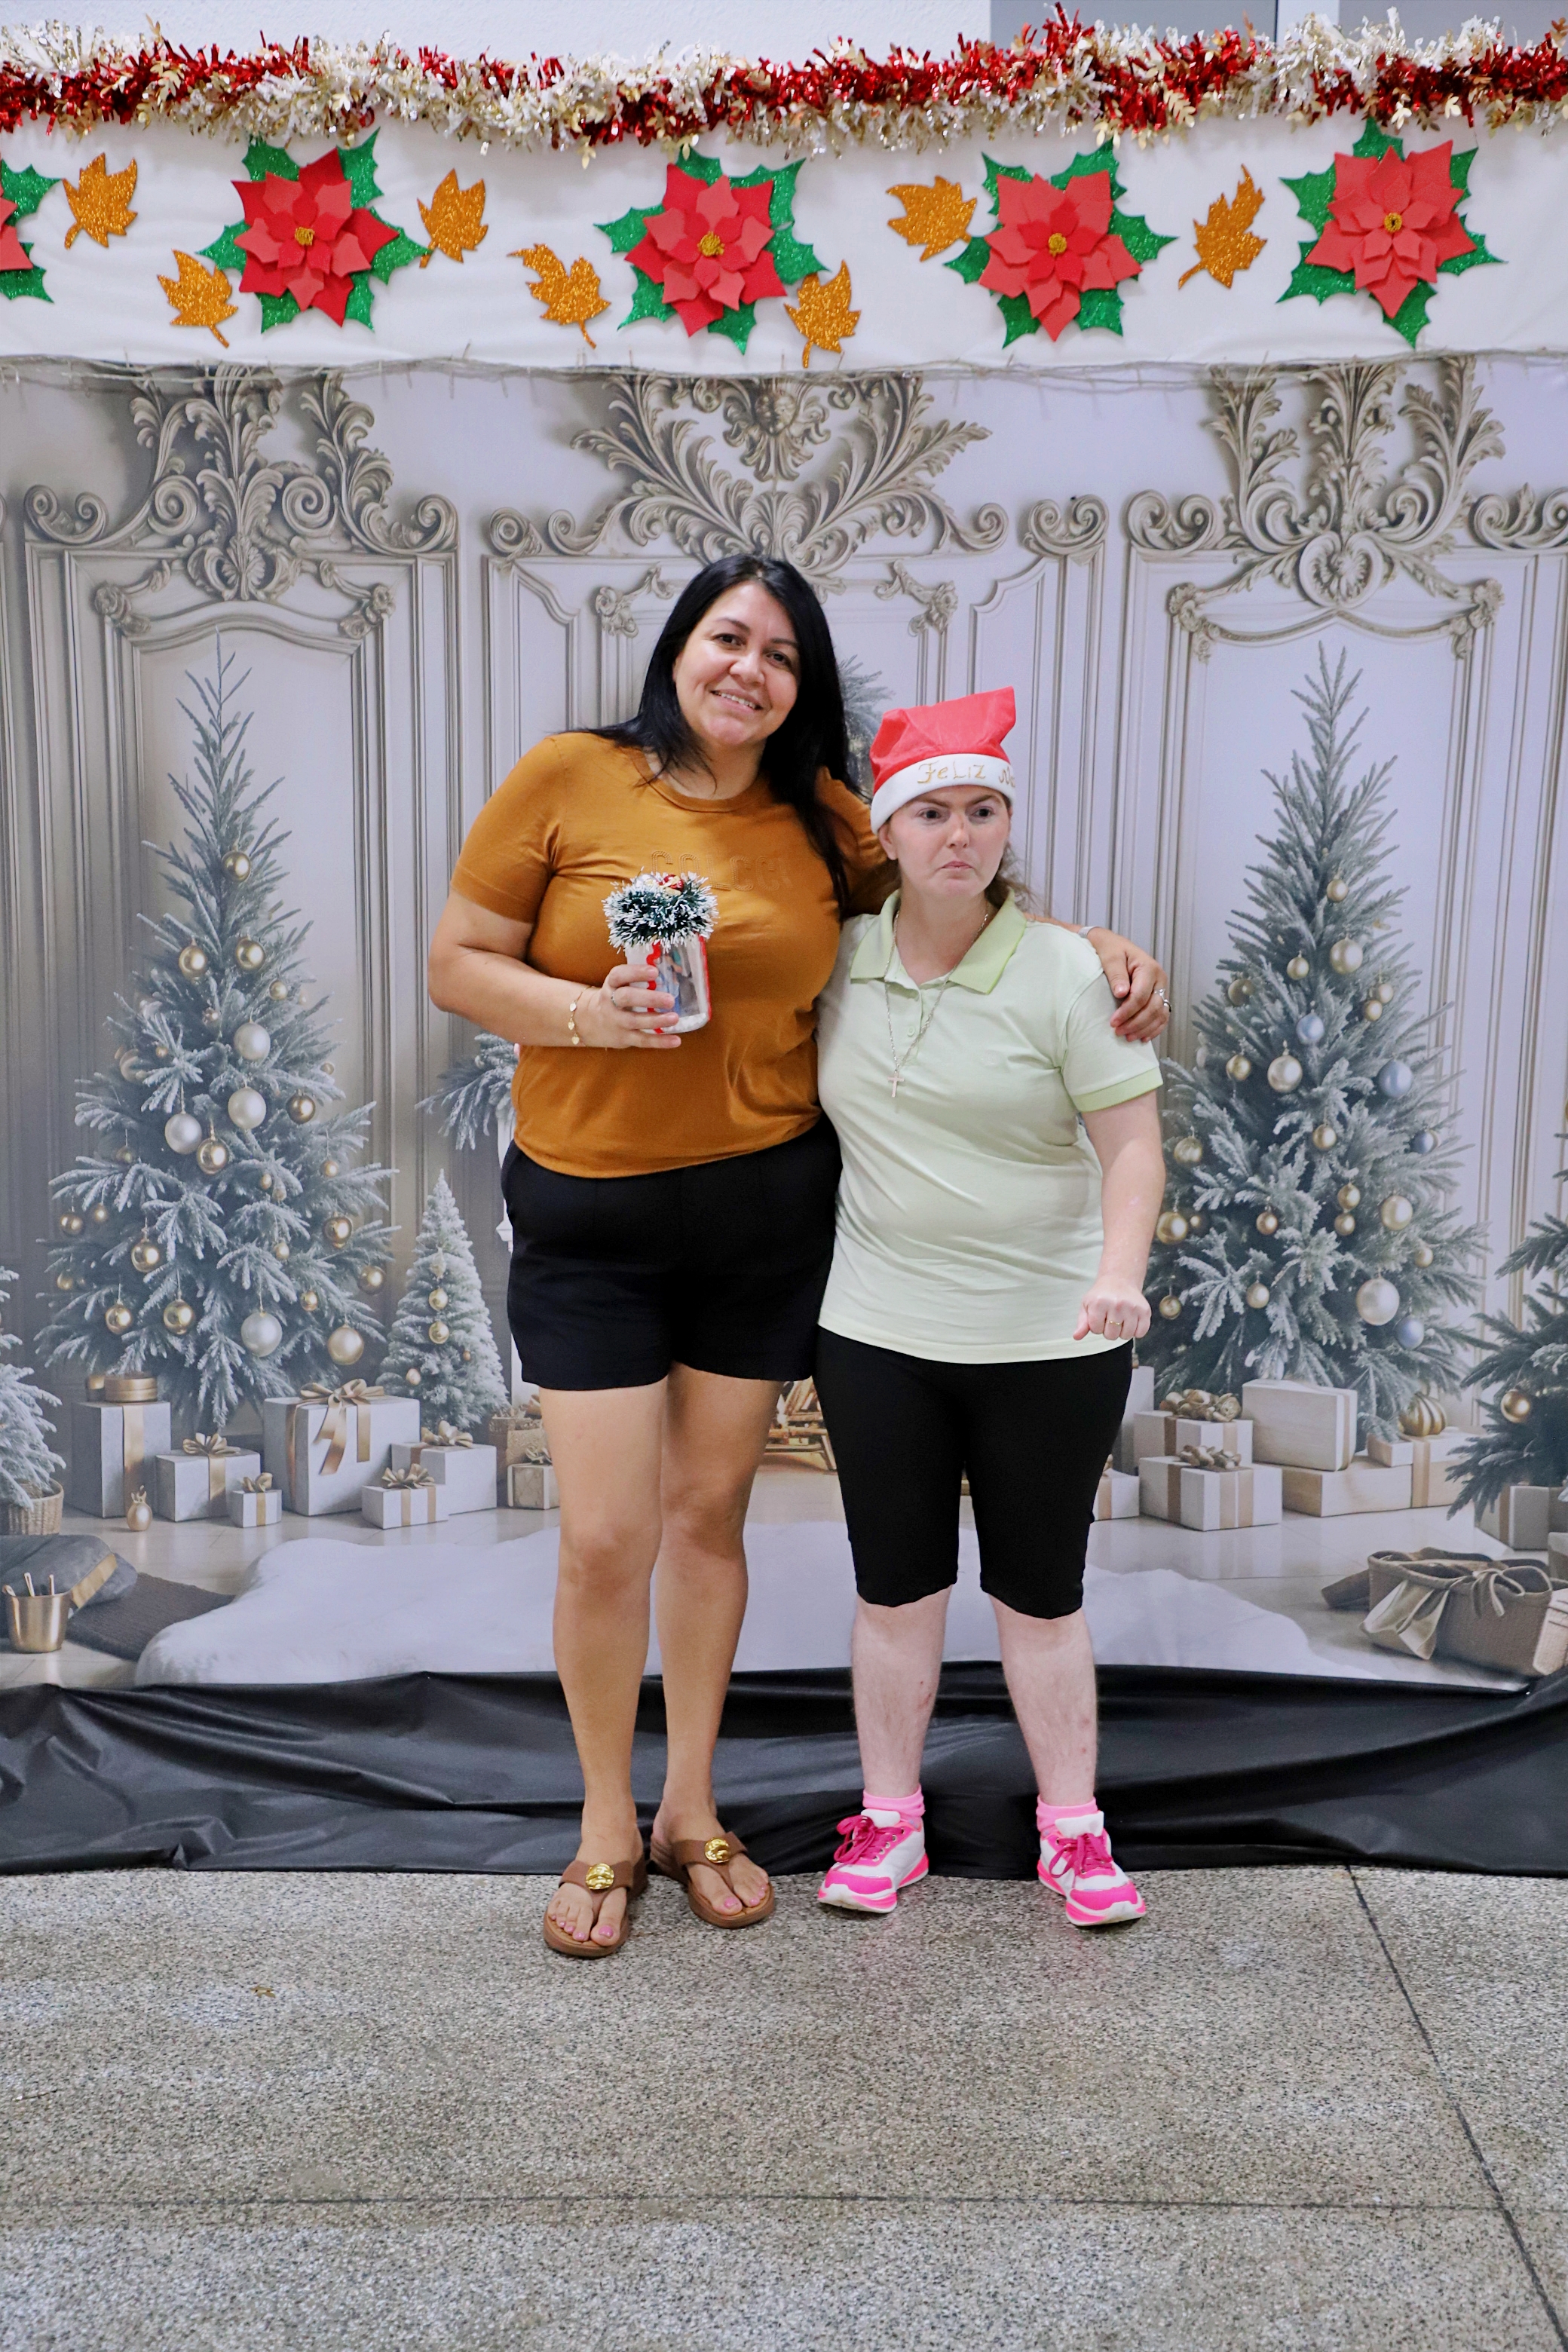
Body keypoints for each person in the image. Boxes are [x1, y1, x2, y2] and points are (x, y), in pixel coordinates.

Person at [427, 558, 1170, 1958]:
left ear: (800, 687)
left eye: (780, 655)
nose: (749, 670)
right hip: (591, 1221)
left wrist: (1095, 949)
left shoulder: (822, 814)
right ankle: (604, 1821)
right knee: (606, 1537)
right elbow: (457, 960)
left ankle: (691, 1810)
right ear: (680, 649)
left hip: (761, 1219)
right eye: (729, 638)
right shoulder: (572, 776)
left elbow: (956, 888)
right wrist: (587, 1013)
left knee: (708, 1519)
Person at [812, 687, 1166, 1930]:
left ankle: (1074, 1831)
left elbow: (1133, 1149)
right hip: (878, 1336)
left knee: (1040, 1593)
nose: (957, 835)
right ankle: (889, 1821)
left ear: (1007, 825)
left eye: (982, 810)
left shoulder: (1070, 972)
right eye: (930, 813)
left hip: (1049, 1340)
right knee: (894, 1591)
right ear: (888, 832)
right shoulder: (836, 960)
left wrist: (1118, 1271)